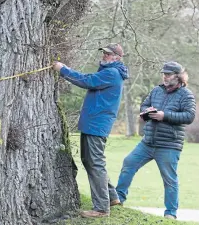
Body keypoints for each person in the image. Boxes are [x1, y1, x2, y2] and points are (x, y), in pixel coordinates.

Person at [52, 43, 128, 218]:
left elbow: (87, 81)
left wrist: (63, 70)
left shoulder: (111, 73)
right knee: (90, 161)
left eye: (108, 54)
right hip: (94, 123)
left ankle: (101, 208)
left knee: (95, 163)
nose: (104, 56)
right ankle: (112, 197)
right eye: (104, 53)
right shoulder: (108, 71)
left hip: (97, 124)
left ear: (117, 58)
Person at [116, 61, 196, 219]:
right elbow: (144, 106)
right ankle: (118, 200)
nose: (165, 77)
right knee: (128, 163)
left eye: (168, 74)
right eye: (164, 74)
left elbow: (189, 116)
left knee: (169, 180)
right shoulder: (156, 90)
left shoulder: (186, 95)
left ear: (178, 76)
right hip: (147, 142)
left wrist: (164, 115)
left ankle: (171, 214)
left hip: (169, 145)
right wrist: (147, 111)